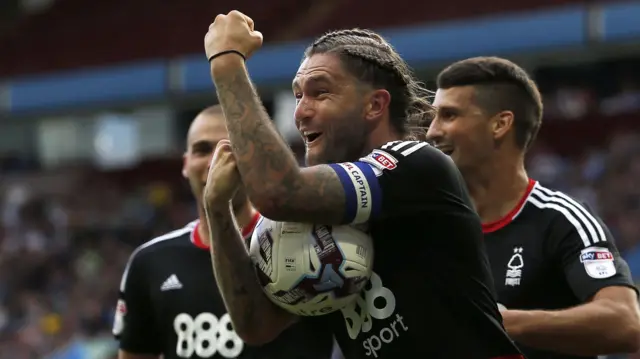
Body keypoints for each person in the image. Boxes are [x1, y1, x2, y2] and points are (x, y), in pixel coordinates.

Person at [201, 10, 524, 359]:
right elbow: (256, 325)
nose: (300, 112)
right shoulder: (320, 212)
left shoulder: (416, 165)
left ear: (374, 105)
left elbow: (279, 192)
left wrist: (227, 63)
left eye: (320, 93)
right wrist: (218, 212)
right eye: (298, 96)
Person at [426, 56, 640, 359]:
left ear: (500, 124)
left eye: (449, 116)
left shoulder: (562, 221)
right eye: (433, 118)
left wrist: (504, 321)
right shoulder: (433, 230)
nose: (432, 132)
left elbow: (625, 324)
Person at [113, 105, 334, 359]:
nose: (215, 162)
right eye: (202, 150)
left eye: (231, 148)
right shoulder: (149, 262)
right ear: (185, 165)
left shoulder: (305, 242)